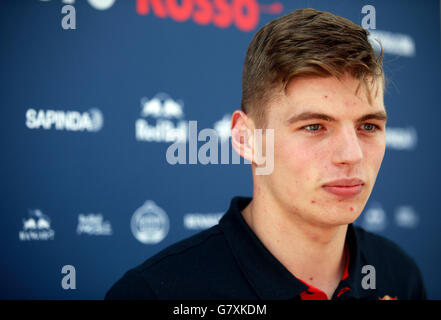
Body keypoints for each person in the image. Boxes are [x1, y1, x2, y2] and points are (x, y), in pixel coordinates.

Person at [105, 8, 426, 300]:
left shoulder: (400, 275)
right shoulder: (153, 293)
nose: (352, 155)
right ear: (246, 140)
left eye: (368, 126)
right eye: (315, 126)